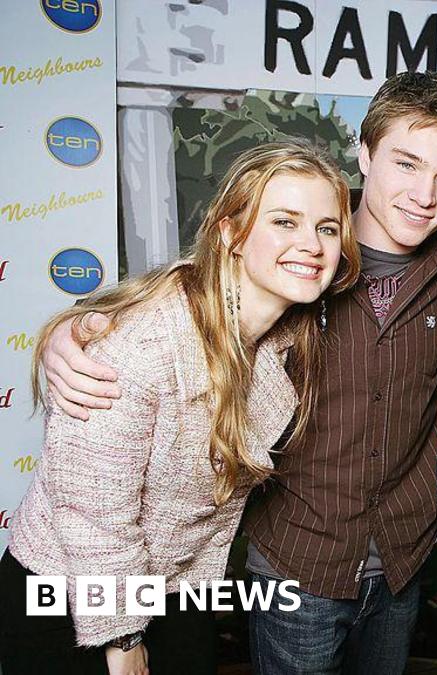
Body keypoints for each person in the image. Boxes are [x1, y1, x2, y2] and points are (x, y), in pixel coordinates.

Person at [34, 72, 437, 673]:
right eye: (407, 164)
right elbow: (183, 297)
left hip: (397, 558)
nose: (424, 194)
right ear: (364, 154)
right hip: (293, 560)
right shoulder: (296, 272)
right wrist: (70, 333)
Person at [0, 141, 359, 675]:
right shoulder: (142, 344)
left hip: (177, 586)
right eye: (285, 221)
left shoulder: (279, 334)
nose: (311, 244)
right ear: (231, 234)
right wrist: (122, 640)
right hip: (71, 592)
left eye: (327, 228)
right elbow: (94, 515)